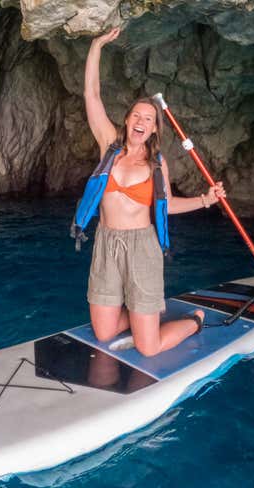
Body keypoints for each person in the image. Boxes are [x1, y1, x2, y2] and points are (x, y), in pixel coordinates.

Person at [79, 27, 226, 357]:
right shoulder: (108, 144)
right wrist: (96, 44)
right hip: (106, 243)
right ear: (127, 120)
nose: (141, 121)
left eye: (149, 118)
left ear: (155, 128)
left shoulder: (157, 165)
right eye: (136, 115)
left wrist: (206, 200)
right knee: (103, 333)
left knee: (149, 348)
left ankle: (193, 321)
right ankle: (143, 312)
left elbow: (166, 206)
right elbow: (91, 95)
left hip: (142, 248)